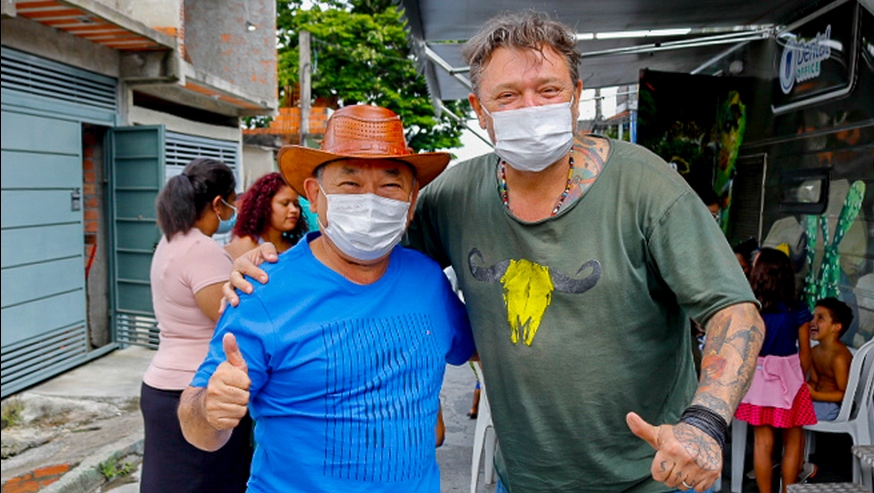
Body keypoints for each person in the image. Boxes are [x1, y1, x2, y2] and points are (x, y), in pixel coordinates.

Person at [226, 11, 764, 493]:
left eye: (548, 90)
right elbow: (365, 258)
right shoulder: (454, 196)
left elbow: (734, 310)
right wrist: (272, 264)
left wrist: (705, 422)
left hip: (653, 477)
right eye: (507, 96)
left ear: (576, 95)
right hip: (524, 478)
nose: (529, 108)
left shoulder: (646, 185)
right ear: (479, 109)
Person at [178, 105, 475, 492]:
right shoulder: (261, 290)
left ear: (412, 200)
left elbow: (482, 348)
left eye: (390, 186)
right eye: (350, 183)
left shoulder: (428, 280)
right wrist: (210, 408)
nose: (371, 199)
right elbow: (198, 429)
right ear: (315, 195)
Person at [142, 158, 252, 493]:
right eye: (232, 201)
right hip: (197, 392)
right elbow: (231, 321)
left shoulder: (170, 241)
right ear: (218, 204)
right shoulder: (203, 251)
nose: (234, 210)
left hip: (162, 386)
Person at [734, 248, 817, 493]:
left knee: (762, 443)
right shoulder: (797, 309)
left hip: (758, 380)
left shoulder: (751, 309)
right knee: (793, 441)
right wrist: (800, 380)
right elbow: (805, 352)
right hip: (790, 378)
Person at [226, 172, 308, 259]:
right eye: (285, 203)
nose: (294, 210)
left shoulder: (296, 245)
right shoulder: (245, 245)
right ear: (264, 206)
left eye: (296, 204)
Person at [808, 297, 854, 420]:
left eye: (820, 318)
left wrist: (816, 395)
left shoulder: (839, 358)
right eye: (813, 317)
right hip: (817, 400)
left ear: (836, 327)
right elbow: (814, 381)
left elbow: (844, 394)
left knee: (792, 416)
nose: (812, 322)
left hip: (834, 407)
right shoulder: (814, 351)